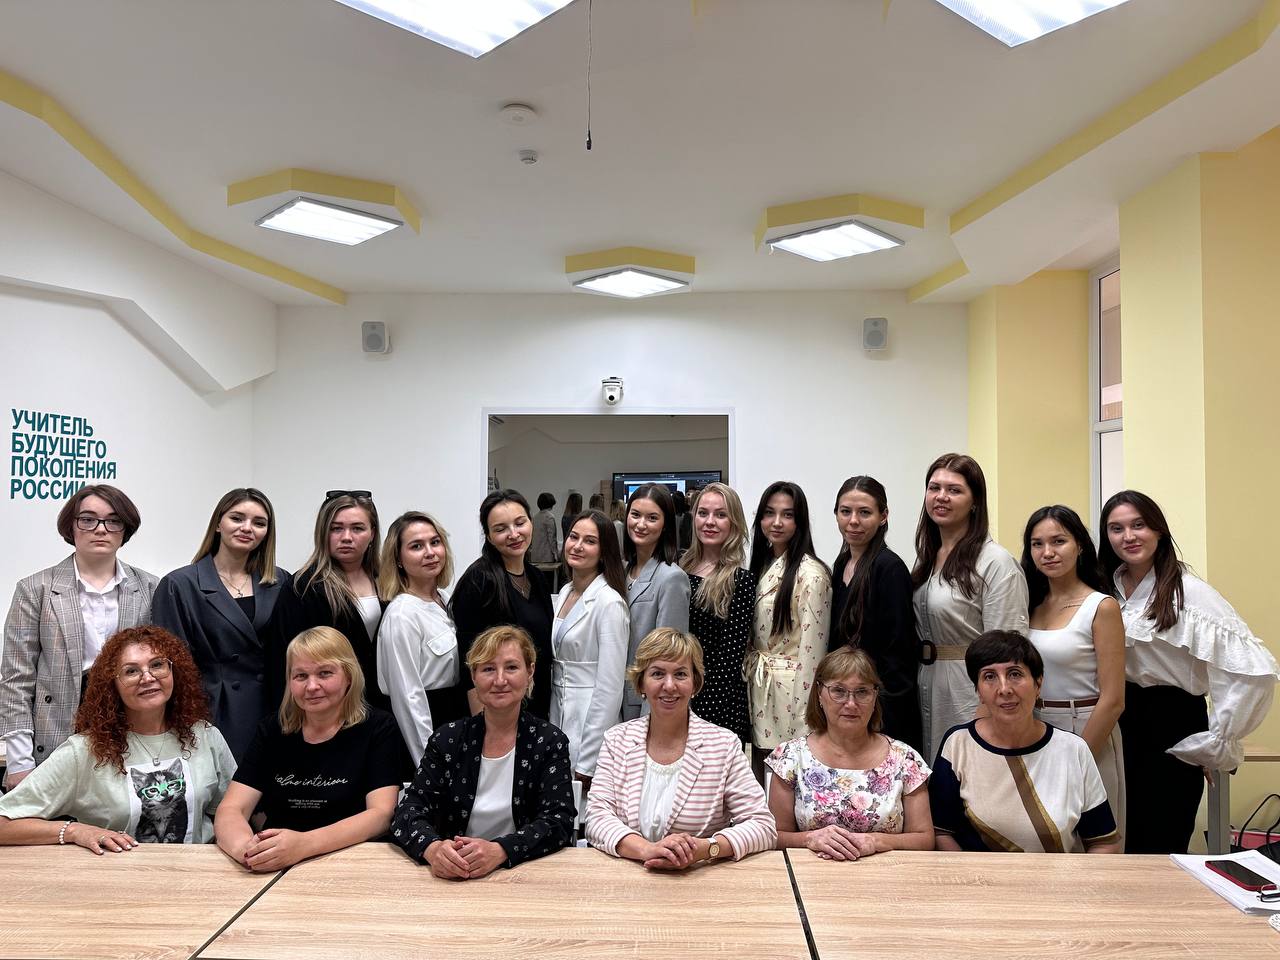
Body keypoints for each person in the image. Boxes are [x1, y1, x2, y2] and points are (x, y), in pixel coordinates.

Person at [1100, 490, 1279, 855]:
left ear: (1159, 530)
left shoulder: (1191, 593)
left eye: (1138, 525)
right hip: (1115, 718)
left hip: (1172, 720)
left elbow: (1250, 670)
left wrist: (1219, 738)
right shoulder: (1104, 588)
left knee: (1162, 836)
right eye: (1116, 528)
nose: (1128, 536)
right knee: (1113, 836)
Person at [0, 626, 234, 851]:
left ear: (174, 672)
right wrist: (74, 831)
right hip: (117, 875)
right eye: (131, 671)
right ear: (112, 684)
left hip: (196, 874)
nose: (147, 677)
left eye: (157, 665)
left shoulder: (205, 736)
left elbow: (235, 814)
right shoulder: (84, 751)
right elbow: (3, 823)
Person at [1, 485, 158, 790]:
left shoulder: (150, 588)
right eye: (87, 519)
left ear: (125, 529)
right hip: (56, 729)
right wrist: (20, 763)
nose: (100, 529)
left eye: (113, 521)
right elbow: (16, 681)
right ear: (70, 527)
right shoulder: (35, 589)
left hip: (129, 728)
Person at [391, 626, 576, 879]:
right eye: (488, 669)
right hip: (453, 873)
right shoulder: (448, 739)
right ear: (473, 676)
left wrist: (501, 850)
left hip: (522, 873)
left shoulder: (549, 741)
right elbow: (408, 811)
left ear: (530, 672)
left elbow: (559, 820)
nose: (499, 680)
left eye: (511, 667)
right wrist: (433, 849)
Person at [215, 627, 403, 872]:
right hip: (277, 866)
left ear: (349, 675)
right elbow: (231, 809)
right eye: (301, 676)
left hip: (352, 863)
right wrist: (247, 851)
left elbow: (381, 815)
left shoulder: (378, 727)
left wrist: (304, 844)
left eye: (325, 673)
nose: (312, 686)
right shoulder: (272, 729)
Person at [586, 628, 776, 868]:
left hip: (698, 878)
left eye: (680, 674)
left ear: (695, 683)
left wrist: (705, 848)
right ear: (641, 683)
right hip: (628, 875)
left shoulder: (723, 745)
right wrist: (647, 850)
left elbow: (763, 825)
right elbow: (596, 817)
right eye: (657, 673)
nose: (669, 685)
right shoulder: (617, 740)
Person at [929, 630, 1119, 854]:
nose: (1004, 689)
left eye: (1015, 674)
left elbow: (1103, 842)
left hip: (1056, 876)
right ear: (978, 691)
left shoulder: (1073, 750)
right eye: (989, 677)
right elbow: (941, 832)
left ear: (1038, 683)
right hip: (977, 876)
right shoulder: (958, 745)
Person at [151, 487, 289, 762]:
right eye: (237, 518)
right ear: (218, 524)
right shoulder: (179, 585)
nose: (247, 528)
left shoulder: (280, 581)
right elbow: (173, 666)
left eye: (259, 523)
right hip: (212, 711)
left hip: (273, 707)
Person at [1022, 504, 1126, 849]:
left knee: (1091, 841)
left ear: (1080, 545)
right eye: (1037, 544)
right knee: (1041, 838)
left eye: (1058, 541)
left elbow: (1113, 700)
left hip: (1086, 727)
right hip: (1035, 726)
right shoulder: (1029, 605)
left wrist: (1077, 757)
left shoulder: (1101, 606)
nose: (1048, 552)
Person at [912, 454, 1027, 761]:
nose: (941, 497)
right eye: (934, 488)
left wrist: (989, 708)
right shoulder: (928, 558)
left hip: (969, 688)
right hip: (927, 682)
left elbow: (1007, 647)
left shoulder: (995, 562)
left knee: (970, 768)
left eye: (954, 490)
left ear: (975, 501)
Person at [767, 648, 932, 858]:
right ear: (819, 694)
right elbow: (773, 836)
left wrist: (877, 841)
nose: (851, 703)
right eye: (838, 691)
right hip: (808, 874)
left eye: (862, 692)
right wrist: (809, 839)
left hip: (888, 874)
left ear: (875, 696)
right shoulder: (790, 757)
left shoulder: (905, 759)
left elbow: (924, 839)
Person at [270, 490, 390, 711]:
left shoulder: (388, 581)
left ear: (372, 533)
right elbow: (283, 661)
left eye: (357, 528)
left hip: (384, 705)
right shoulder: (303, 587)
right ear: (323, 533)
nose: (346, 537)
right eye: (336, 528)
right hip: (328, 708)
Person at [830, 476, 922, 752]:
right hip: (848, 702)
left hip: (883, 711)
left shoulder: (889, 568)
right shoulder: (842, 563)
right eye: (845, 511)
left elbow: (899, 653)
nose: (853, 521)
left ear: (883, 516)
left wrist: (878, 714)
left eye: (864, 512)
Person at [746, 481, 830, 777]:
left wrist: (806, 716)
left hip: (790, 693)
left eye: (788, 515)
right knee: (760, 773)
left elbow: (813, 653)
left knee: (786, 774)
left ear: (800, 521)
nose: (777, 522)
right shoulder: (762, 565)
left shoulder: (812, 575)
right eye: (769, 513)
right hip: (760, 686)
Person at [450, 490, 553, 720]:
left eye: (520, 523)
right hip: (498, 712)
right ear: (488, 536)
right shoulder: (479, 581)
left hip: (538, 706)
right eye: (500, 529)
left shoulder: (537, 578)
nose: (514, 534)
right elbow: (469, 662)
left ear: (531, 522)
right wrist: (485, 726)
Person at [376, 511, 466, 765]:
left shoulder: (445, 599)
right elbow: (408, 699)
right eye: (416, 546)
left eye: (435, 542)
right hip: (426, 728)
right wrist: (430, 764)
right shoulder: (402, 615)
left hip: (455, 720)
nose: (430, 552)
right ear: (398, 559)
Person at [551, 510, 629, 788]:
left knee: (584, 803)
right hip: (558, 710)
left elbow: (610, 687)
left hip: (589, 718)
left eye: (590, 541)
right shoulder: (565, 592)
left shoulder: (609, 602)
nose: (577, 546)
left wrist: (590, 758)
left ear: (604, 551)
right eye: (573, 537)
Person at [680, 482, 755, 743]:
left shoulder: (740, 580)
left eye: (720, 514)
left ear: (734, 523)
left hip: (717, 705)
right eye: (703, 513)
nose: (710, 522)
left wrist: (698, 712)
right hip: (678, 695)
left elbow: (730, 660)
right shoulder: (679, 568)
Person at [620, 484, 691, 722]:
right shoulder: (622, 571)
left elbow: (669, 657)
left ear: (665, 525)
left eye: (652, 518)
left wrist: (651, 719)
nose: (641, 524)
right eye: (635, 515)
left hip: (644, 702)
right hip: (615, 698)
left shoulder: (671, 577)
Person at [529, 492, 559, 565]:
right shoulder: (549, 517)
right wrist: (556, 554)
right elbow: (552, 538)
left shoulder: (534, 518)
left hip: (535, 555)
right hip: (547, 556)